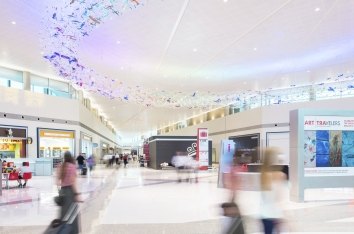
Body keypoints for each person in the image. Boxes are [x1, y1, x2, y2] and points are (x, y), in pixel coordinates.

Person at [260, 147, 287, 234]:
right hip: (274, 215)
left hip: (264, 214)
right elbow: (278, 200)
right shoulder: (279, 175)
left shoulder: (263, 174)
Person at [57, 151, 81, 234]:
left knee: (64, 214)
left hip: (62, 192)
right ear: (71, 157)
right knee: (72, 214)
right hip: (70, 192)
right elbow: (73, 182)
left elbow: (57, 182)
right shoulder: (72, 167)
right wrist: (77, 194)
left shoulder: (60, 166)